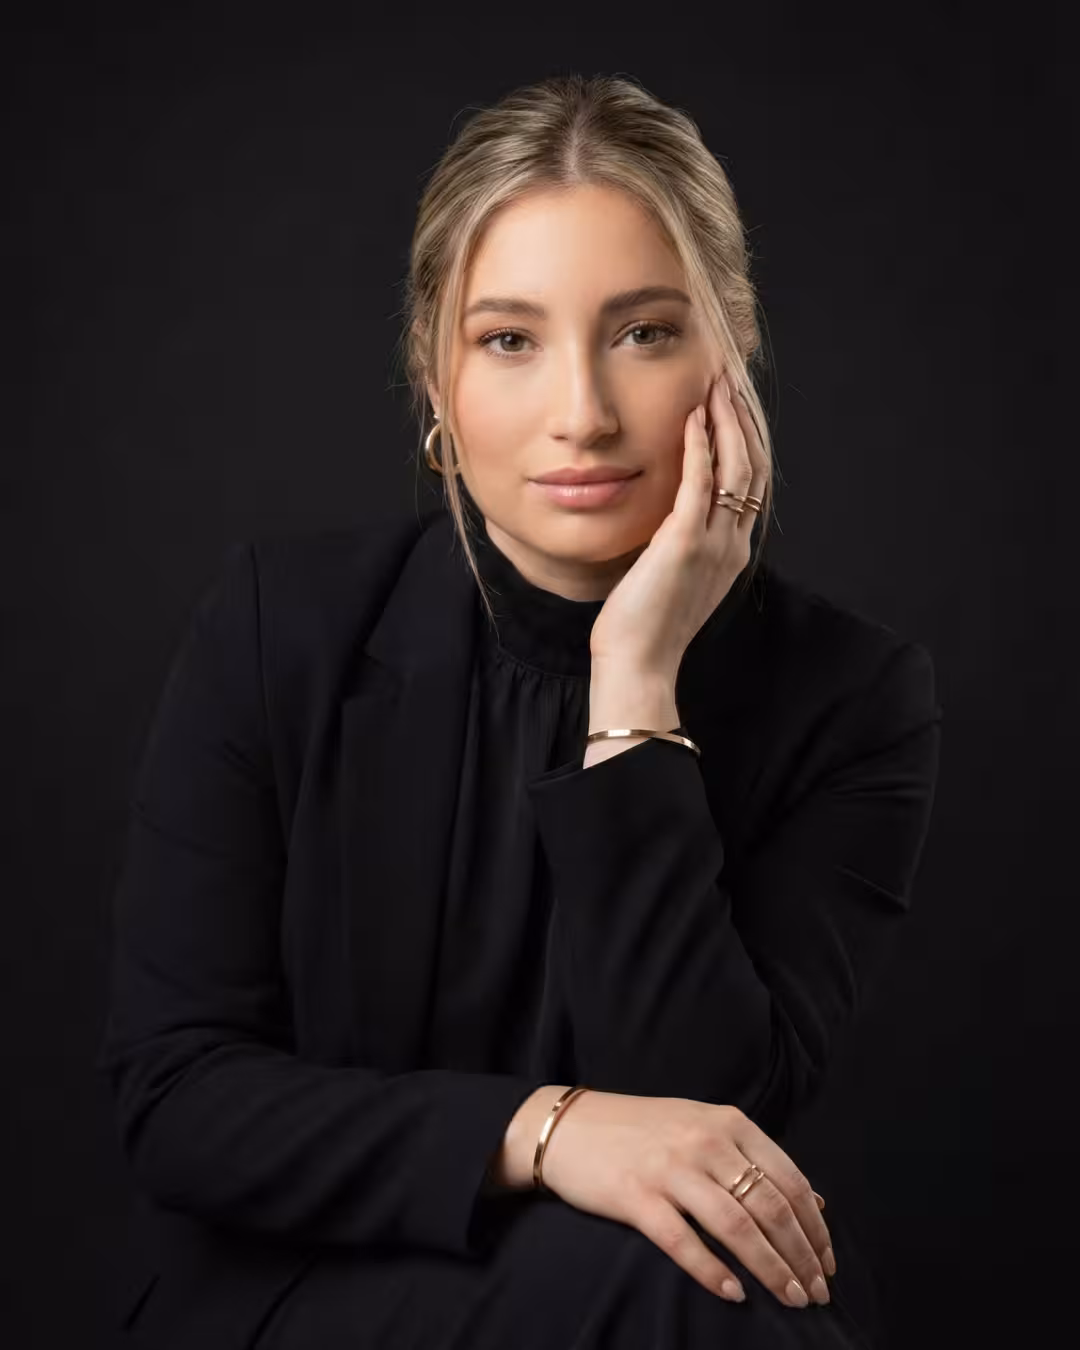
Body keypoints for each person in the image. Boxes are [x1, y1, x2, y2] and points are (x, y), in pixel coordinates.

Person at [97, 73, 942, 1348]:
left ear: (734, 346)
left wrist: (634, 687)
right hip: (295, 1289)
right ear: (432, 370)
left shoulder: (851, 698)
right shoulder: (284, 624)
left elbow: (703, 1118)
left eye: (645, 333)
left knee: (719, 1290)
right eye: (510, 339)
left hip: (647, 1301)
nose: (583, 415)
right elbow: (178, 1100)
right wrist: (543, 1131)